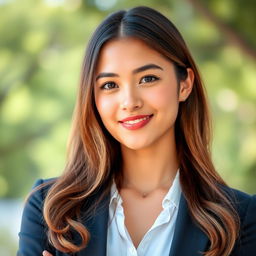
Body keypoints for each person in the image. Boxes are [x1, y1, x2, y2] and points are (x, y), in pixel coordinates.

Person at [17, 6, 256, 256]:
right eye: (110, 85)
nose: (129, 101)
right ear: (93, 98)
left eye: (148, 78)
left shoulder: (239, 219)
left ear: (184, 84)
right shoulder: (49, 209)